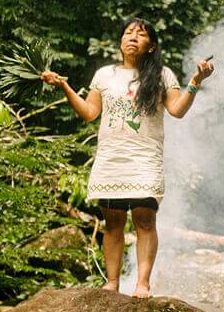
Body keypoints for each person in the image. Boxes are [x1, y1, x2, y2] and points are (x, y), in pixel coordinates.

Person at [41, 18, 214, 296]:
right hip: (112, 159)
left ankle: (142, 284)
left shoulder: (162, 75)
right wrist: (64, 86)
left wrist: (195, 81)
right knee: (113, 224)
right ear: (120, 41)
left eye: (141, 34)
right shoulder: (104, 75)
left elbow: (177, 110)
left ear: (151, 46)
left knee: (145, 220)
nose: (133, 37)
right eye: (128, 32)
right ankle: (112, 283)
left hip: (145, 160)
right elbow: (89, 113)